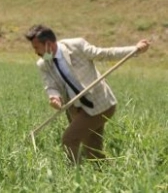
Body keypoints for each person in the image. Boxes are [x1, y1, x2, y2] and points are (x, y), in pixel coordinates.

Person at [24, 24, 150, 163]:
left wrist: (135, 49)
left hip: (100, 104)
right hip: (77, 109)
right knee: (93, 152)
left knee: (69, 139)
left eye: (36, 47)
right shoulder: (43, 63)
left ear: (48, 44)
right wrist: (54, 97)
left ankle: (74, 175)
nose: (35, 52)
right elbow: (51, 86)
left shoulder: (76, 46)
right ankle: (106, 176)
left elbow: (105, 54)